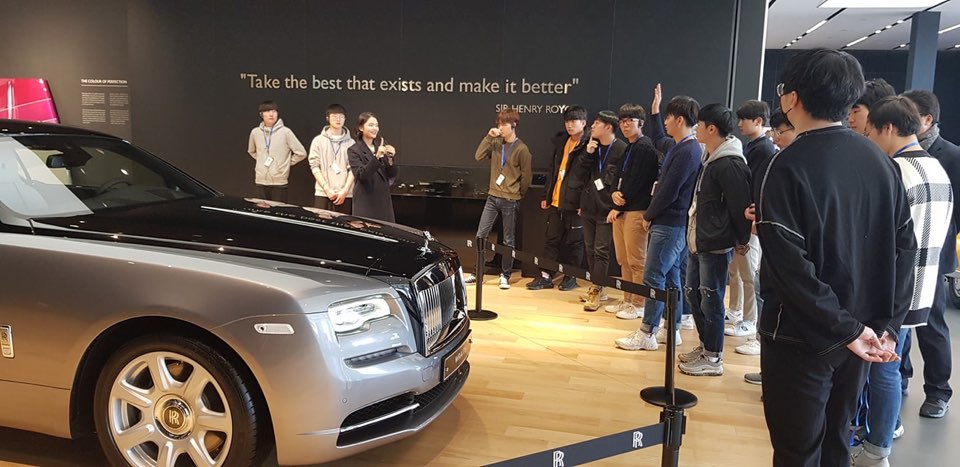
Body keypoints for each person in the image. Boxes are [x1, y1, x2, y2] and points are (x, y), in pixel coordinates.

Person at [757, 48, 914, 467]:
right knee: (836, 442)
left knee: (796, 451)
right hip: (862, 334)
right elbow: (906, 248)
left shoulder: (786, 165)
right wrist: (887, 325)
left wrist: (850, 328)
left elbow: (790, 267)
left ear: (791, 98)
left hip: (801, 335)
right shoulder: (881, 163)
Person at [852, 95, 954, 466]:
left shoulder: (895, 170)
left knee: (882, 367)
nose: (869, 140)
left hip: (891, 289)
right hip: (922, 287)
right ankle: (880, 437)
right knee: (890, 366)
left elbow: (881, 239)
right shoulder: (937, 168)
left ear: (890, 128)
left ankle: (875, 448)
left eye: (871, 132)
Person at [615, 91, 702, 351]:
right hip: (670, 222)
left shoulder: (687, 151)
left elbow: (669, 190)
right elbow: (660, 139)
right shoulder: (681, 146)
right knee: (671, 277)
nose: (665, 121)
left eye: (668, 117)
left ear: (680, 119)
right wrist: (654, 111)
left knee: (653, 276)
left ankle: (647, 332)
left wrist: (649, 214)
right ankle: (671, 327)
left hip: (670, 222)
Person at [677, 103, 752, 377]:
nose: (695, 129)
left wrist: (741, 239)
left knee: (711, 298)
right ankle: (705, 346)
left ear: (711, 129)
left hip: (715, 244)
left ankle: (714, 356)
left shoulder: (729, 163)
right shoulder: (709, 158)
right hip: (698, 240)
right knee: (694, 294)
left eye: (699, 125)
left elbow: (740, 206)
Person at [900, 89, 960, 419]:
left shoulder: (951, 156)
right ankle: (901, 375)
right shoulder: (896, 154)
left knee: (931, 323)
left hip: (934, 253)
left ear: (927, 119)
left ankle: (938, 390)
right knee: (899, 319)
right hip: (904, 252)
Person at [741, 108, 795, 384]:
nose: (775, 136)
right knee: (760, 284)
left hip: (788, 250)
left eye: (780, 131)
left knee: (756, 283)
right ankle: (769, 367)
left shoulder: (776, 155)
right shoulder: (778, 156)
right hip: (771, 238)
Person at [465, 108, 533, 290]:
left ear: (514, 125)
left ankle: (505, 275)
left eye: (504, 124)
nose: (501, 127)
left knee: (508, 240)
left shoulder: (522, 149)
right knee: (481, 235)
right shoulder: (495, 143)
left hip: (510, 199)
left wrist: (517, 194)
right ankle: (477, 273)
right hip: (492, 196)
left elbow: (526, 178)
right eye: (499, 124)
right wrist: (488, 137)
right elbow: (478, 156)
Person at [725, 100, 775, 338]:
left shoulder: (765, 149)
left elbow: (759, 186)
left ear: (758, 121)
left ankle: (750, 320)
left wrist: (755, 217)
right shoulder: (752, 146)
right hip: (742, 216)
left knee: (748, 272)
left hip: (753, 217)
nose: (739, 124)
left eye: (744, 119)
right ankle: (735, 311)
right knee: (735, 269)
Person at [606, 103, 660, 319]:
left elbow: (638, 181)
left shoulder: (645, 147)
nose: (625, 125)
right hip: (622, 209)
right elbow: (618, 175)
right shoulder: (629, 147)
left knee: (637, 261)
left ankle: (638, 304)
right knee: (623, 259)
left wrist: (618, 204)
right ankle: (627, 299)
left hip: (636, 209)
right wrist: (613, 194)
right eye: (622, 121)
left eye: (630, 121)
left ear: (641, 123)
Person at [527, 106, 589, 292]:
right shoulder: (561, 143)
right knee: (551, 239)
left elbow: (589, 177)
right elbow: (553, 171)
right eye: (567, 121)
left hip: (575, 204)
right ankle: (546, 275)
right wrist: (546, 195)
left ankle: (571, 276)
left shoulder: (589, 146)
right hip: (556, 200)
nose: (569, 125)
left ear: (583, 123)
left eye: (574, 121)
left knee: (575, 242)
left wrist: (583, 203)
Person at [577, 111, 627, 311]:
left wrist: (617, 207)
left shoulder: (621, 149)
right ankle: (598, 287)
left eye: (597, 123)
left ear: (608, 127)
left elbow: (625, 179)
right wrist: (588, 153)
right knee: (589, 249)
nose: (592, 126)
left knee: (601, 251)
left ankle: (597, 289)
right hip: (588, 206)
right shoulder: (592, 146)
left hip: (607, 209)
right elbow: (580, 174)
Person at [247, 101, 307, 202]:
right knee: (261, 210)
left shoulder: (286, 132)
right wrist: (261, 161)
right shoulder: (255, 132)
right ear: (261, 114)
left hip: (279, 182)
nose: (271, 114)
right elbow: (251, 151)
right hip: (260, 181)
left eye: (274, 111)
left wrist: (284, 164)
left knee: (278, 210)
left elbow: (301, 153)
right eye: (267, 111)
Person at [347, 112, 397, 222]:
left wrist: (390, 158)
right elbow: (361, 174)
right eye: (371, 125)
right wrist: (377, 157)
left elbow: (392, 174)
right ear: (361, 128)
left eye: (376, 125)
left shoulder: (381, 145)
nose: (375, 128)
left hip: (383, 202)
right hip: (366, 203)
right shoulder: (354, 150)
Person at [309, 104, 356, 213]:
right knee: (321, 222)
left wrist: (345, 190)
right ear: (328, 118)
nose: (338, 119)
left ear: (345, 119)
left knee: (343, 222)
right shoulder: (318, 141)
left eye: (341, 116)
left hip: (345, 194)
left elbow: (353, 169)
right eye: (334, 116)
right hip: (323, 192)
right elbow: (314, 166)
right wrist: (326, 188)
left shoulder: (351, 143)